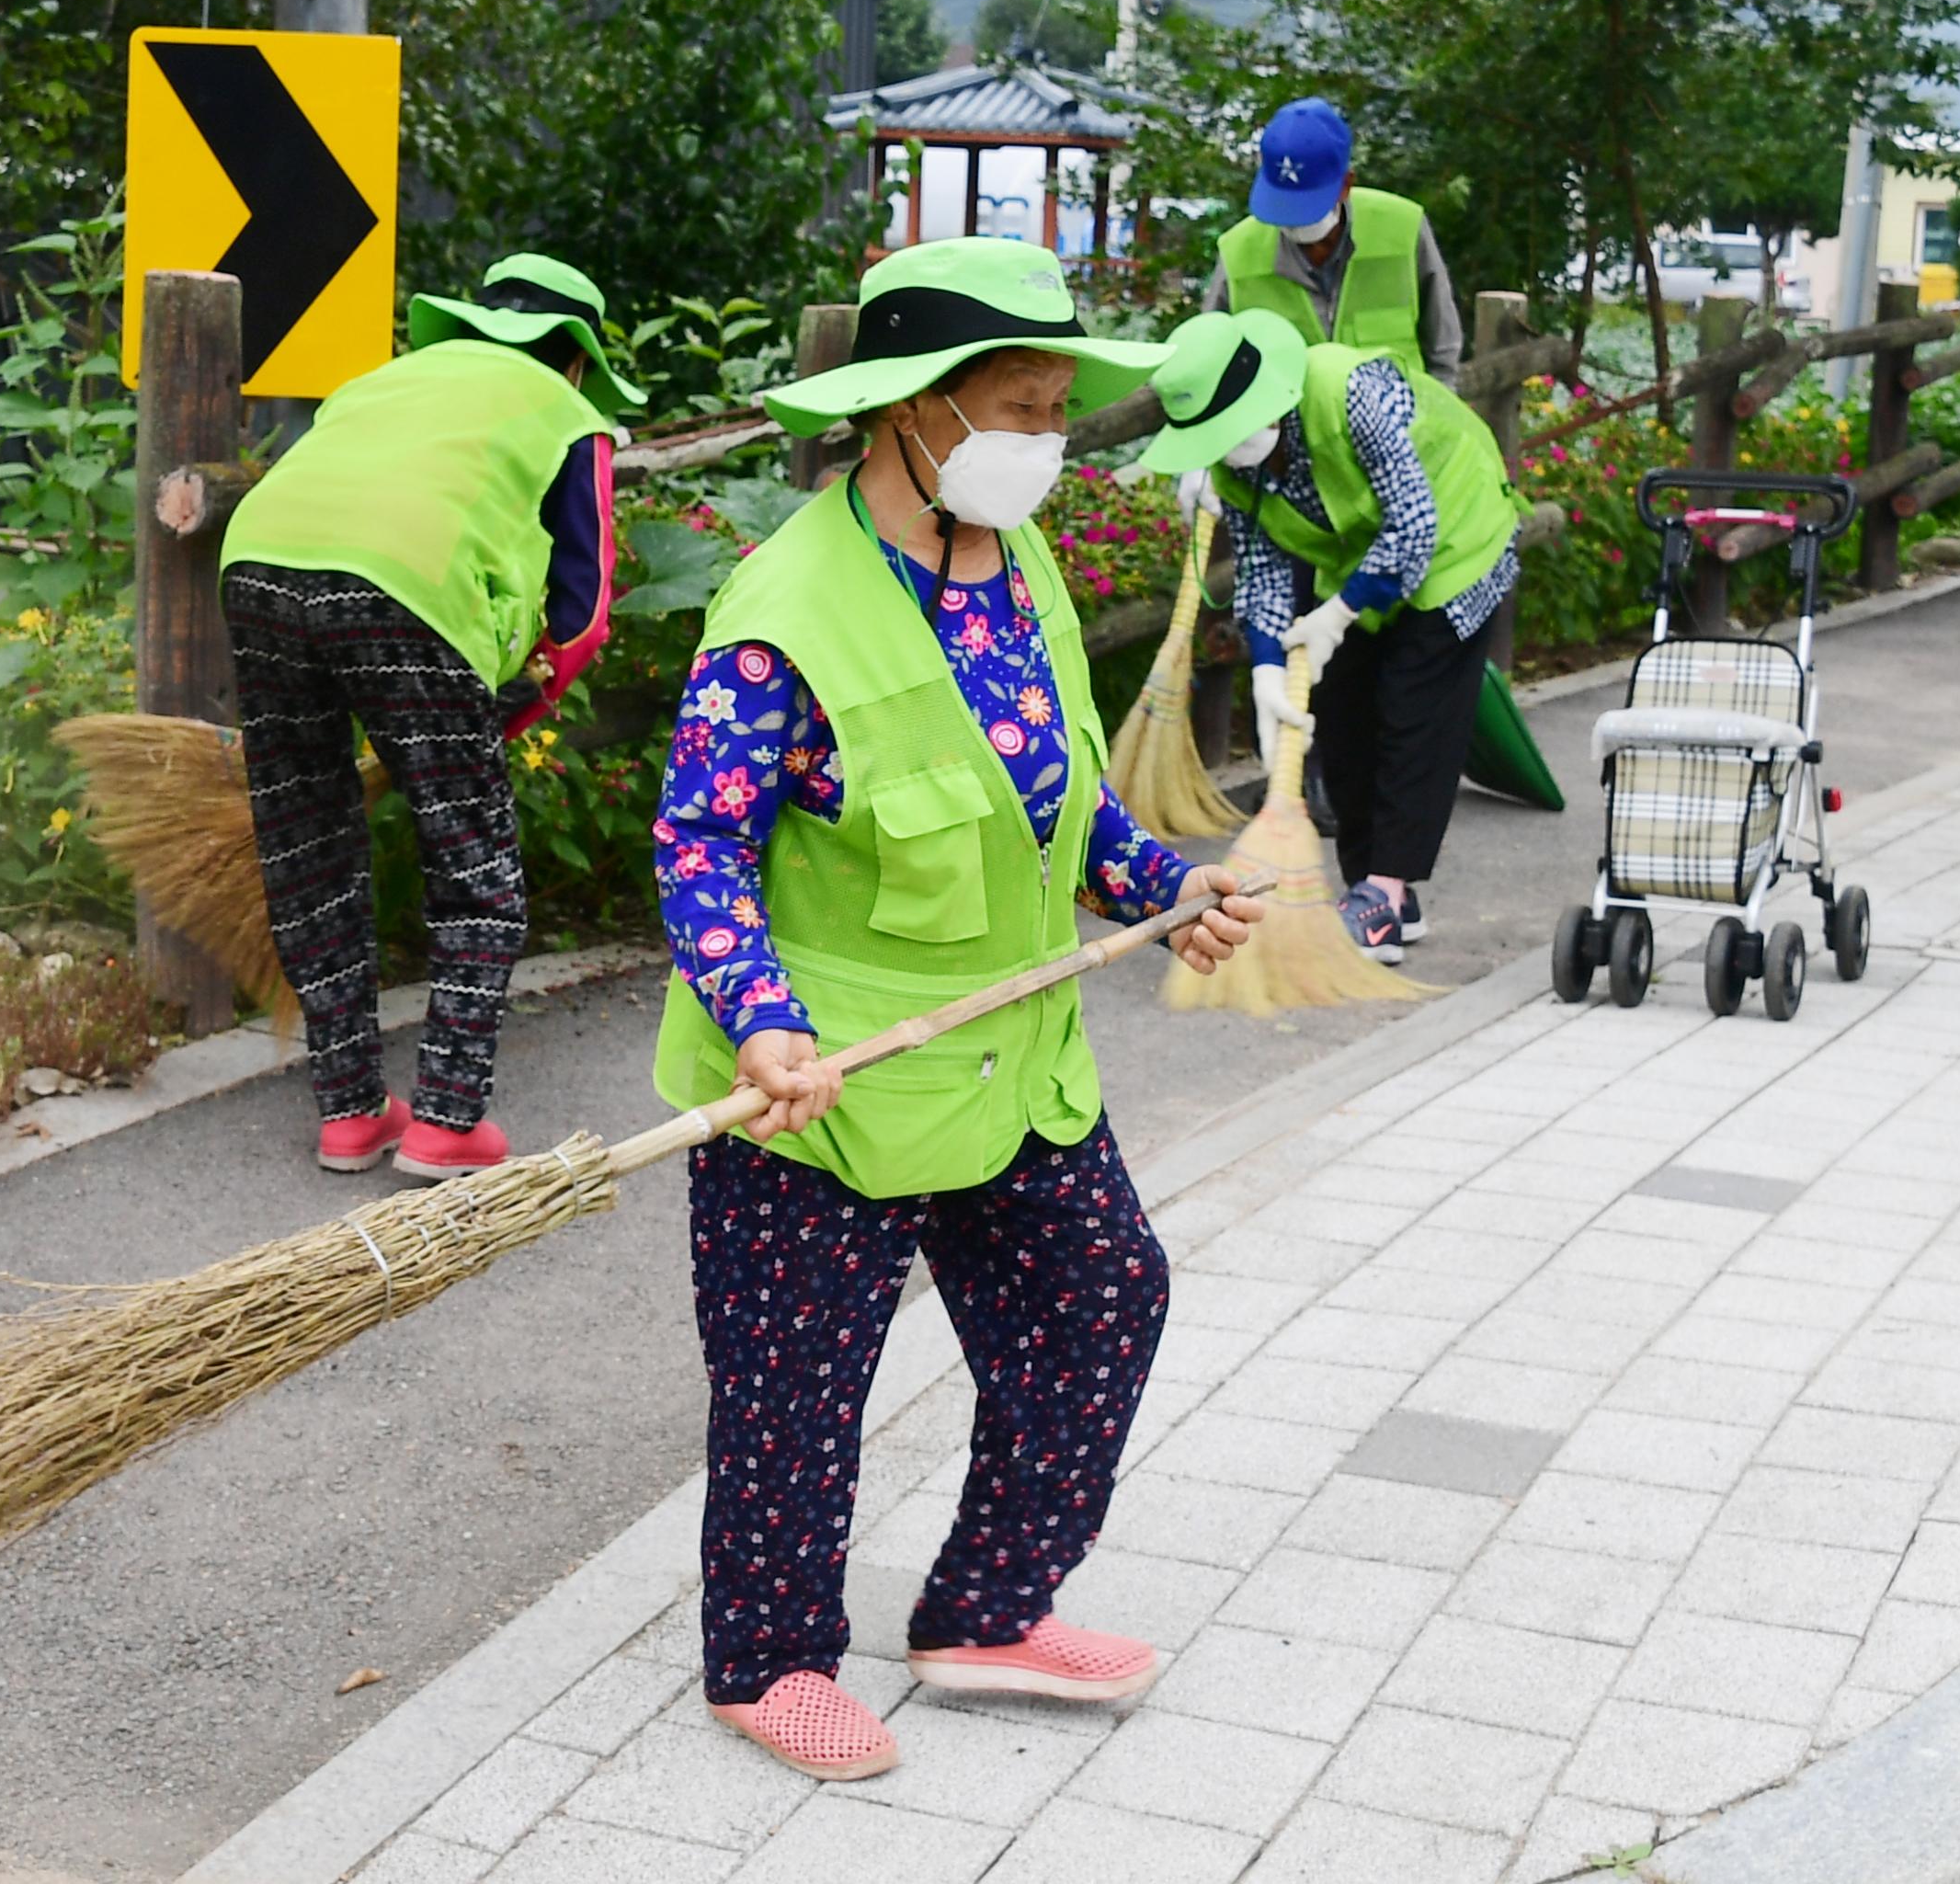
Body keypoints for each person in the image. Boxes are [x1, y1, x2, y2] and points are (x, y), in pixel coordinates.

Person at [648, 236, 1264, 1784]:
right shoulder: (781, 606)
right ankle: (768, 1658)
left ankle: (985, 1610)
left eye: (1059, 410)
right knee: (797, 1391)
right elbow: (699, 839)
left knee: (1101, 1296)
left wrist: (1161, 887)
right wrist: (756, 1016)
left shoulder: (1016, 557)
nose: (1045, 442)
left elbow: (1042, 803)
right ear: (910, 412)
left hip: (1010, 1054)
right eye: (1018, 406)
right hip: (831, 1076)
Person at [218, 253, 629, 1180]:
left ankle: (352, 1113)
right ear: (576, 359)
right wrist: (510, 714)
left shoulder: (385, 381)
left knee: (308, 847)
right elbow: (585, 615)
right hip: (409, 592)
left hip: (256, 566)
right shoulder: (570, 413)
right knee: (475, 866)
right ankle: (445, 1121)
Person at [1150, 308, 1519, 965]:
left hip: (1458, 536)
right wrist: (1266, 667)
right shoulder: (1232, 467)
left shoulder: (1348, 390)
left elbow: (1412, 526)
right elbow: (1262, 568)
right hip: (1361, 560)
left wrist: (1335, 615)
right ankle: (1376, 896)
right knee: (1344, 709)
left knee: (1414, 707)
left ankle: (1388, 885)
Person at [1203, 95, 1463, 384]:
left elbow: (1443, 347)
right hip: (1287, 428)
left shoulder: (1403, 227)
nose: (1297, 225)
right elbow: (1210, 356)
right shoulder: (1238, 252)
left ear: (1345, 185)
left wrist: (1435, 412)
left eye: (1307, 209)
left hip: (1402, 423)